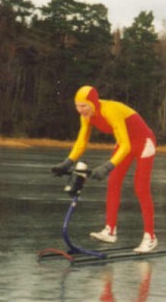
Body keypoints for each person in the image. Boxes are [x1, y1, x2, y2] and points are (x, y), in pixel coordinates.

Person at [51, 86, 157, 253]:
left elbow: (126, 145)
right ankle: (110, 230)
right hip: (125, 144)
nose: (80, 110)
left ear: (93, 103)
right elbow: (81, 142)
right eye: (77, 106)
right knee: (113, 183)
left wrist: (107, 167)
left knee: (141, 188)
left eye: (83, 106)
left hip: (144, 143)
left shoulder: (110, 111)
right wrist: (67, 163)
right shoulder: (86, 116)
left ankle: (150, 237)